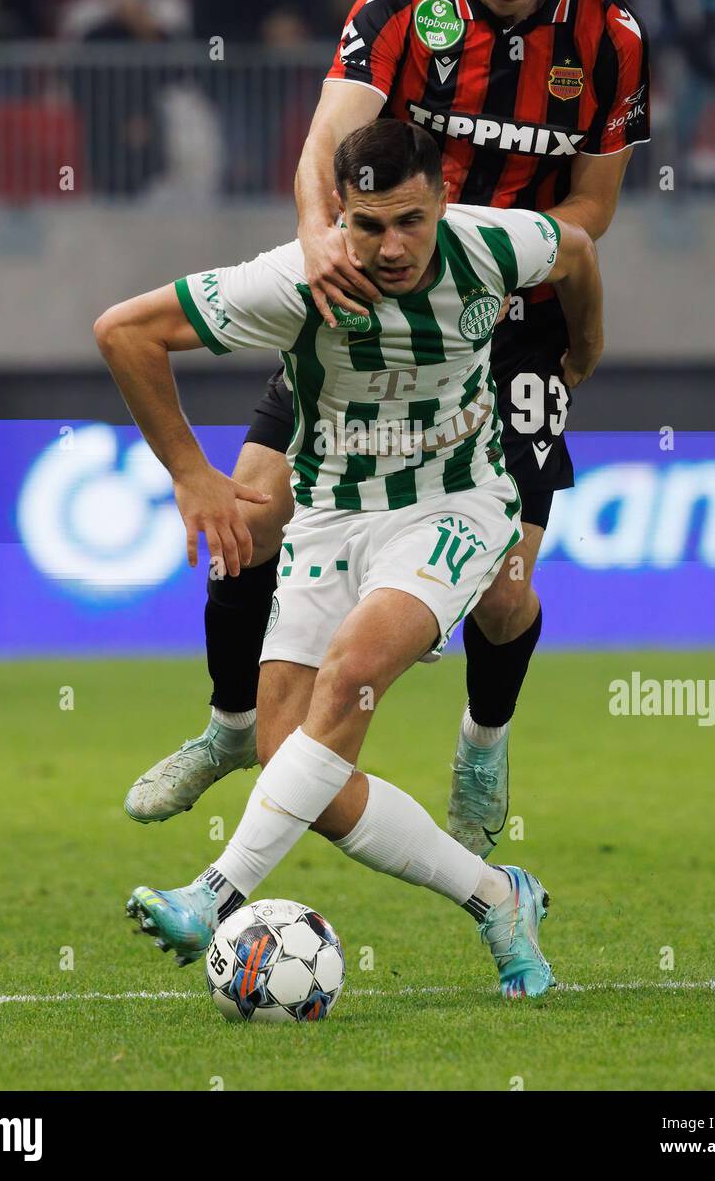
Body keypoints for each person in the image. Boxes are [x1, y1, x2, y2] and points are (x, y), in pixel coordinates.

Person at [126, 0, 649, 858]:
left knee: (503, 595)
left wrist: (535, 291)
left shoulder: (610, 38)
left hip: (508, 318)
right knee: (247, 521)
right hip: (369, 301)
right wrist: (325, 247)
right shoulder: (401, 4)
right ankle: (232, 730)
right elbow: (326, 147)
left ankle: (485, 738)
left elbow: (591, 207)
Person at [96, 117, 603, 997]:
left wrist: (584, 347)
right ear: (338, 215)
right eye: (368, 225)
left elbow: (578, 250)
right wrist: (192, 476)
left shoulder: (491, 244)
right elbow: (123, 332)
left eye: (410, 220)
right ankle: (496, 896)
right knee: (298, 763)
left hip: (457, 504)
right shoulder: (295, 282)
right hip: (332, 518)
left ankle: (213, 894)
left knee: (351, 675)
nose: (392, 246)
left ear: (443, 198)